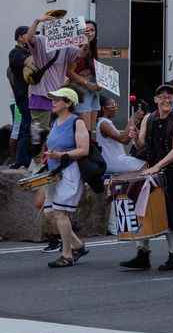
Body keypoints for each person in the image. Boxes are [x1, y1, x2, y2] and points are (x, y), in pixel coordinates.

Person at [118, 84, 173, 271]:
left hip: (172, 172)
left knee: (170, 214)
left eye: (170, 96)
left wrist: (158, 167)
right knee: (142, 209)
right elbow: (142, 144)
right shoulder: (148, 119)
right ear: (156, 100)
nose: (167, 99)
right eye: (163, 96)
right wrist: (134, 137)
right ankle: (142, 254)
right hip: (152, 170)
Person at [41, 88, 89, 268]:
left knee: (60, 212)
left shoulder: (77, 122)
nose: (53, 102)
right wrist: (48, 156)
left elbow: (84, 150)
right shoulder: (55, 121)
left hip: (69, 171)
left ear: (68, 102)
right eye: (52, 98)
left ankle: (67, 255)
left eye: (57, 99)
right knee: (49, 212)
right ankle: (78, 245)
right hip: (54, 173)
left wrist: (60, 155)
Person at [24, 13, 80, 156]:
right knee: (39, 133)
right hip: (40, 95)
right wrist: (37, 20)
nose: (58, 26)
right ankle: (37, 162)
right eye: (54, 23)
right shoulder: (41, 41)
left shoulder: (67, 45)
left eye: (60, 23)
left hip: (58, 97)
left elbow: (82, 54)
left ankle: (48, 161)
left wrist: (86, 39)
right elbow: (28, 38)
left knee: (54, 132)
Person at [95, 96, 145, 174]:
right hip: (114, 162)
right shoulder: (104, 123)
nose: (116, 108)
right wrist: (132, 118)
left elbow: (126, 140)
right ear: (104, 109)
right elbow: (123, 140)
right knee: (145, 165)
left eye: (116, 106)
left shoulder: (106, 122)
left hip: (116, 160)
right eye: (113, 106)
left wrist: (134, 122)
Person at [67, 21, 100, 131]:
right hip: (81, 88)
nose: (89, 32)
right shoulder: (76, 48)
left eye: (92, 30)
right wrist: (87, 83)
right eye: (87, 30)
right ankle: (85, 147)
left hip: (93, 89)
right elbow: (69, 72)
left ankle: (90, 147)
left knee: (92, 128)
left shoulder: (93, 48)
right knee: (85, 128)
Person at [8, 26, 33, 169]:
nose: (31, 37)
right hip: (23, 95)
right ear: (19, 37)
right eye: (27, 35)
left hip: (29, 95)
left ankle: (24, 159)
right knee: (25, 125)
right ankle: (22, 159)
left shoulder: (26, 51)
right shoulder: (15, 53)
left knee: (28, 126)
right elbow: (30, 62)